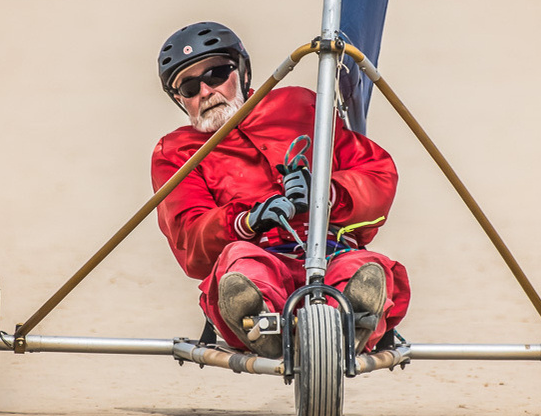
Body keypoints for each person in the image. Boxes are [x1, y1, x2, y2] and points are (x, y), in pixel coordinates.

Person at [151, 21, 410, 359]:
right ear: (179, 99)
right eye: (188, 87)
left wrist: (326, 192)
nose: (205, 91)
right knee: (241, 265)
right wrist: (245, 220)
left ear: (242, 74)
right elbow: (190, 240)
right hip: (256, 252)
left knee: (364, 267)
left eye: (216, 74)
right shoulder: (175, 151)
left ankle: (352, 318)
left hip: (330, 247)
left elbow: (377, 175)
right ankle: (260, 323)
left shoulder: (299, 106)